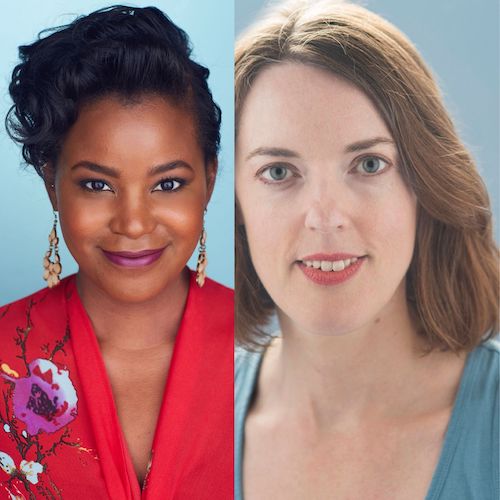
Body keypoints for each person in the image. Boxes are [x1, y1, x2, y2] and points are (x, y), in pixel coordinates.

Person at [235, 1, 499, 499]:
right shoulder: (185, 420)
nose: (327, 217)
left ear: (423, 184)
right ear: (235, 206)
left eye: (369, 164)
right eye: (278, 171)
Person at [0, 6, 233, 499]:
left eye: (168, 183)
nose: (133, 223)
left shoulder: (281, 355)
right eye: (97, 184)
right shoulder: (4, 355)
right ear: (52, 185)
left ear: (209, 181)